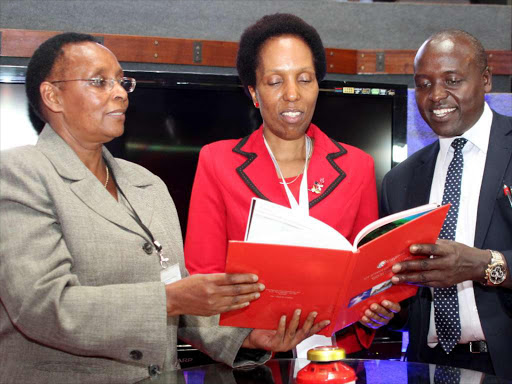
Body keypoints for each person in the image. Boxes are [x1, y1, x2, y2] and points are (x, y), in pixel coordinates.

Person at [0, 32, 329, 384]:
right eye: (100, 81)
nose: (120, 92)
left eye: (122, 81)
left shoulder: (147, 185)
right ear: (52, 95)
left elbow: (179, 291)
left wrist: (245, 338)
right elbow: (43, 307)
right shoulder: (21, 173)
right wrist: (168, 300)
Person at [184, 13, 400, 356]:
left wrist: (372, 311)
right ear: (253, 92)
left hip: (333, 357)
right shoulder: (217, 162)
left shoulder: (357, 166)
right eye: (274, 81)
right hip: (252, 359)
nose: (292, 95)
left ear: (318, 86)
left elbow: (367, 276)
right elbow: (203, 279)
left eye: (304, 79)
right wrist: (250, 339)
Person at [381, 30, 512, 379]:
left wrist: (485, 265)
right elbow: (406, 298)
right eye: (423, 84)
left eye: (452, 80)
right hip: (430, 365)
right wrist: (381, 307)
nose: (436, 96)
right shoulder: (399, 181)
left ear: (486, 80)